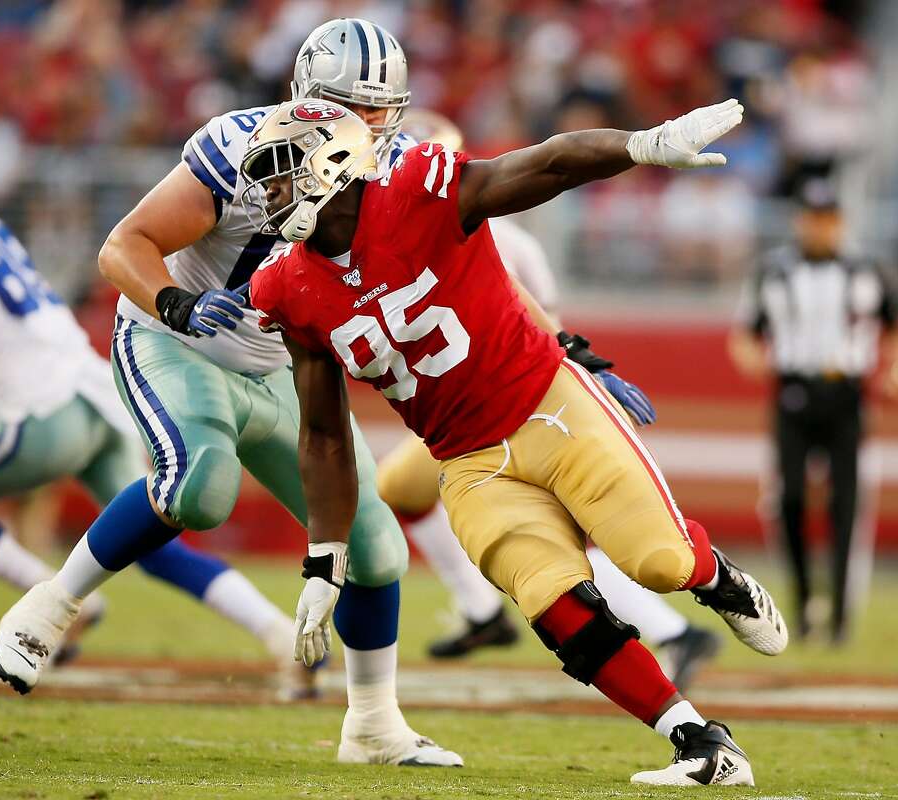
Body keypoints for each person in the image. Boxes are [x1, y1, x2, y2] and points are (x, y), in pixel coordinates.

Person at [246, 98, 787, 786]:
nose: (269, 193)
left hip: (546, 404)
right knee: (557, 606)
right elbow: (322, 432)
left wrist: (643, 145)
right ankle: (699, 741)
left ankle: (714, 576)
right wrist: (325, 557)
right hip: (467, 462)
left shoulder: (417, 189)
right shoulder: (286, 284)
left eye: (281, 173)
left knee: (656, 563)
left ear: (331, 164)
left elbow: (549, 162)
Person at [0, 19, 462, 768]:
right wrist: (175, 302)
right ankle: (51, 604)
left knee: (375, 548)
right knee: (200, 489)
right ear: (310, 98)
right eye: (354, 106)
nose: (372, 125)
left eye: (383, 108)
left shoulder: (393, 169)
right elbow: (124, 247)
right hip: (177, 338)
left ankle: (373, 725)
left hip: (280, 365)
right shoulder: (238, 149)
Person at [0, 140, 309, 693]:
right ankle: (278, 632)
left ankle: (51, 596)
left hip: (39, 412)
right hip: (95, 398)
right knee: (151, 535)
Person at [380, 110, 722, 690]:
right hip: (462, 414)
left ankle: (667, 629)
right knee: (403, 491)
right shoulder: (394, 237)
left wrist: (580, 372)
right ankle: (484, 612)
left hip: (514, 408)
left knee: (572, 541)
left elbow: (543, 326)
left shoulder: (490, 230)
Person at [728, 180, 898, 642]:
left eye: (828, 218)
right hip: (793, 391)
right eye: (812, 218)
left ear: (840, 222)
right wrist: (754, 360)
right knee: (788, 499)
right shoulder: (773, 271)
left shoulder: (867, 269)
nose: (819, 228)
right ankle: (802, 596)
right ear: (799, 220)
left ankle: (840, 616)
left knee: (845, 505)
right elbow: (744, 333)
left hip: (846, 394)